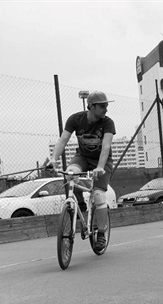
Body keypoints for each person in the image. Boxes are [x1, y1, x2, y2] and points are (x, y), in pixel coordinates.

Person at [46, 91, 116, 250]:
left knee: (98, 195)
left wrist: (99, 167)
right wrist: (53, 159)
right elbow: (62, 141)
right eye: (102, 106)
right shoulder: (75, 119)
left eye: (107, 105)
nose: (106, 109)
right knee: (70, 173)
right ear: (91, 106)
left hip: (102, 162)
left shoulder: (108, 123)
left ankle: (101, 234)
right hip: (82, 158)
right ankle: (79, 203)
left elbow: (106, 148)